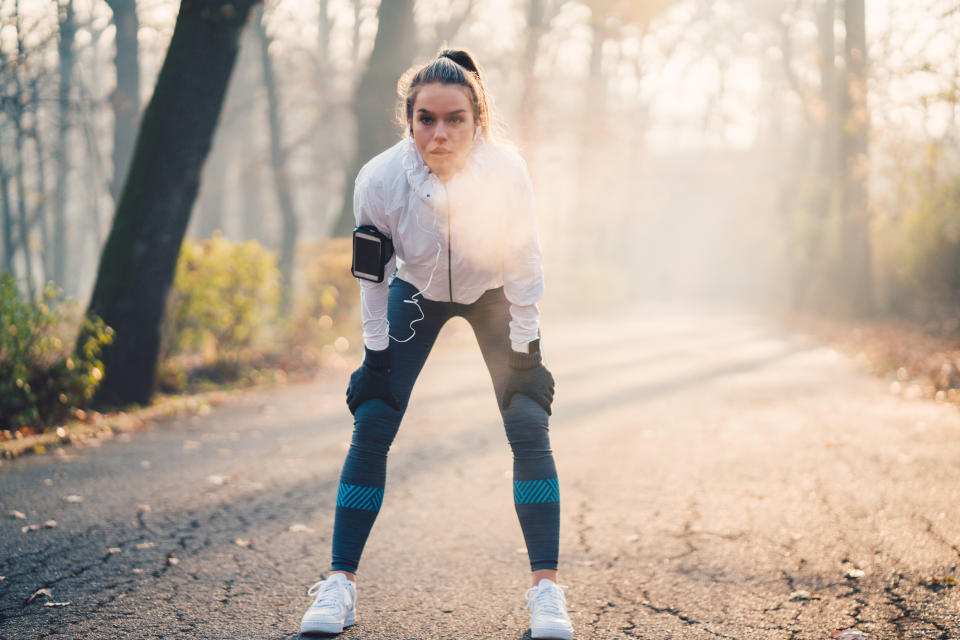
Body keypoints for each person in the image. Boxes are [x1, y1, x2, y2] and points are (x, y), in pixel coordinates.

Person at [299, 48, 572, 640]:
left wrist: (526, 352)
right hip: (416, 292)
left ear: (479, 122)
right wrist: (374, 357)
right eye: (427, 119)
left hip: (493, 291)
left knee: (527, 419)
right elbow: (373, 277)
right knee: (373, 416)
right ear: (410, 119)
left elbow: (524, 263)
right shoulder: (379, 179)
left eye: (455, 119)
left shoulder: (507, 174)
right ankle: (339, 585)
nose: (440, 133)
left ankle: (546, 593)